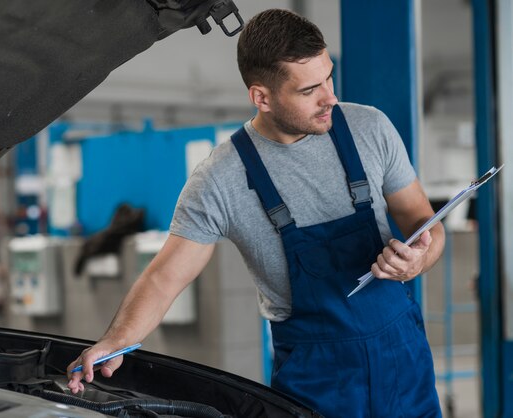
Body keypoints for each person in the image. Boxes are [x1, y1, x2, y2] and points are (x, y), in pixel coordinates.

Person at [67, 9, 445, 417]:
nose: (329, 97)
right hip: (318, 379)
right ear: (261, 97)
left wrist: (419, 259)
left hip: (403, 361)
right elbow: (164, 276)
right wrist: (117, 339)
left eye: (329, 77)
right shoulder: (221, 179)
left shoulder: (369, 129)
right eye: (308, 90)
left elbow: (426, 225)